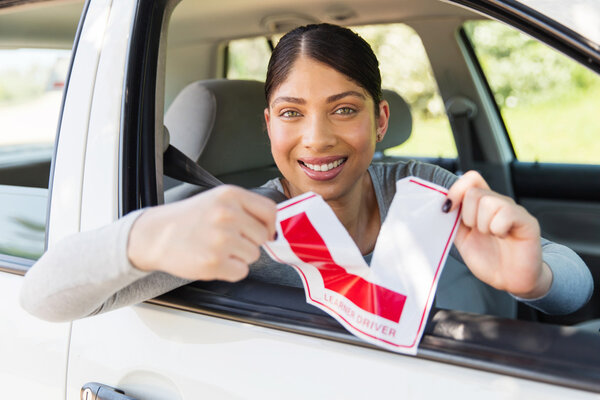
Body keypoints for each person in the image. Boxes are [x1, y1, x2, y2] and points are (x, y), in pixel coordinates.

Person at [20, 23, 593, 323]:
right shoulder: (241, 228)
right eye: (292, 114)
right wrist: (145, 236)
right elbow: (43, 300)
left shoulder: (420, 190)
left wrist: (535, 279)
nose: (317, 138)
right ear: (269, 124)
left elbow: (574, 286)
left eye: (344, 109)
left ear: (380, 118)